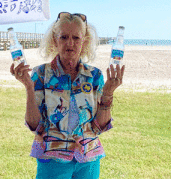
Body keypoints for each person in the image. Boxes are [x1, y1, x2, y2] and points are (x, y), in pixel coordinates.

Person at [10, 12, 125, 179]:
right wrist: (28, 86)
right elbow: (35, 125)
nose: (70, 43)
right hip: (52, 159)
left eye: (76, 38)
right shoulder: (41, 74)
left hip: (88, 159)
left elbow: (99, 127)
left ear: (84, 41)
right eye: (63, 37)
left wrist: (108, 93)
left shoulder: (94, 76)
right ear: (55, 40)